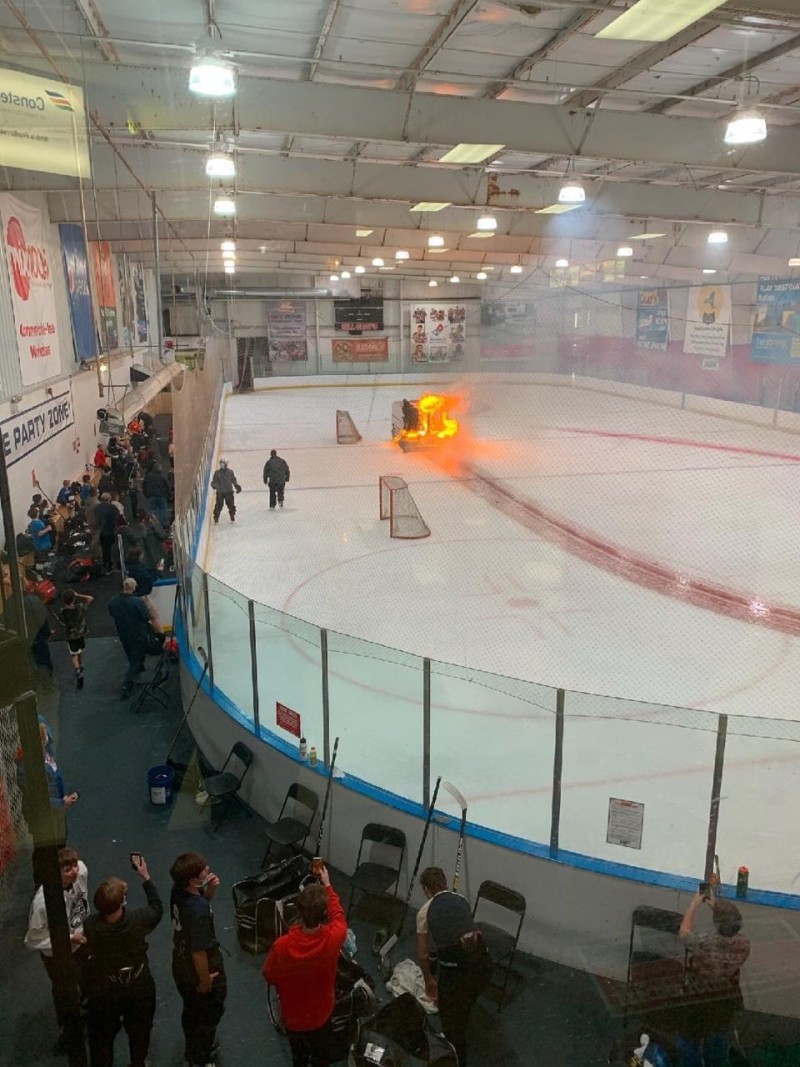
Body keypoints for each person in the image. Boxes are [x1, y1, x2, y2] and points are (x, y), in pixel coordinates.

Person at [83, 854, 163, 1067]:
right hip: (138, 985)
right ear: (122, 902)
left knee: (102, 1037)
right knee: (140, 1030)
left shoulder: (91, 926)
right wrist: (145, 876)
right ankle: (137, 1063)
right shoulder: (138, 921)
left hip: (105, 988)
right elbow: (156, 907)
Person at [263, 863, 347, 1066]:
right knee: (321, 1058)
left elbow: (269, 974)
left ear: (299, 910)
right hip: (322, 1016)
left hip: (294, 1019)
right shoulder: (334, 938)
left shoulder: (281, 946)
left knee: (298, 1059)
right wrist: (327, 885)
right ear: (323, 914)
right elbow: (339, 916)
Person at [416, 866, 490, 1067]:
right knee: (466, 1001)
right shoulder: (461, 900)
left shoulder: (425, 912)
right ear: (444, 883)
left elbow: (423, 954)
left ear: (426, 889)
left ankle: (456, 1057)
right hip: (482, 965)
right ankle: (463, 1018)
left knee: (452, 1026)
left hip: (456, 974)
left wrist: (429, 980)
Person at [24, 846, 90, 1048]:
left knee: (86, 975)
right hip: (56, 954)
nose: (74, 871)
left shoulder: (82, 871)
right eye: (66, 868)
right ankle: (69, 1029)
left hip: (78, 940)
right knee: (63, 990)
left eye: (73, 865)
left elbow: (81, 898)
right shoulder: (42, 904)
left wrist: (78, 927)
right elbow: (34, 940)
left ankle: (86, 1004)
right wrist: (70, 937)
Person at [677, 891, 750, 1067]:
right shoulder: (744, 944)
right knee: (718, 1039)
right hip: (724, 998)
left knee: (687, 1040)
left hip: (700, 996)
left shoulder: (705, 943)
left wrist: (694, 904)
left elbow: (684, 933)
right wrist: (717, 908)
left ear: (717, 924)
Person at [170, 852, 227, 1067]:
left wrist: (210, 890)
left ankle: (193, 1050)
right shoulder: (198, 911)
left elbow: (201, 899)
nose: (208, 869)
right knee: (207, 1015)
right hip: (199, 969)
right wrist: (205, 980)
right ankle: (200, 1059)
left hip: (180, 965)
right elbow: (199, 952)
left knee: (191, 1010)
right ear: (193, 880)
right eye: (203, 869)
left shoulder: (179, 891)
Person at [108, 577, 152, 698]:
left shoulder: (113, 601)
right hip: (138, 634)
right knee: (136, 659)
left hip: (123, 634)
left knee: (131, 656)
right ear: (133, 588)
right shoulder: (137, 602)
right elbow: (146, 616)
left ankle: (138, 670)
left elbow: (112, 613)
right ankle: (127, 685)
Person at [58, 588, 94, 688]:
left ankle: (78, 671)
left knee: (74, 655)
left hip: (71, 635)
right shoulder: (79, 607)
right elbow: (90, 598)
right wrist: (78, 595)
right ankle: (81, 665)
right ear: (74, 599)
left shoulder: (63, 611)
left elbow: (62, 622)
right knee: (80, 650)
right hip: (81, 633)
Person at [94, 492, 121, 574]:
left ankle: (106, 564)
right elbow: (117, 519)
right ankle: (116, 565)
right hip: (111, 531)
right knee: (115, 548)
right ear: (109, 499)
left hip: (101, 532)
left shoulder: (97, 508)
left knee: (105, 549)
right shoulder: (113, 508)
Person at [211, 458, 242, 524]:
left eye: (223, 463)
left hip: (229, 492)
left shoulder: (230, 472)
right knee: (218, 506)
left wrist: (237, 486)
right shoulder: (217, 473)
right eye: (221, 463)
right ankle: (216, 517)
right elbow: (214, 482)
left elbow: (233, 480)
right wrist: (214, 485)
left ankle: (232, 515)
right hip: (220, 492)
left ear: (226, 464)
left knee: (231, 505)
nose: (222, 465)